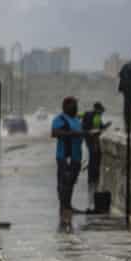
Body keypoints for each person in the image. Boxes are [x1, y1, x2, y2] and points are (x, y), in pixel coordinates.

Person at [51, 96, 86, 232]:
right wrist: (73, 133)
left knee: (71, 183)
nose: (76, 107)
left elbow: (80, 134)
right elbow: (54, 132)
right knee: (64, 184)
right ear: (66, 106)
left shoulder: (77, 120)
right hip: (65, 157)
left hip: (76, 157)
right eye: (73, 105)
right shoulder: (60, 119)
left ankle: (67, 206)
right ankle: (65, 209)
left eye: (76, 105)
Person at [81, 102, 111, 211]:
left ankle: (94, 181)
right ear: (97, 109)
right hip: (91, 141)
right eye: (101, 111)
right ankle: (92, 182)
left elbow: (100, 127)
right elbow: (85, 129)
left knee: (95, 162)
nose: (102, 113)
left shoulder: (97, 116)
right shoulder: (89, 115)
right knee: (92, 163)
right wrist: (93, 132)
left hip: (95, 141)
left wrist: (105, 126)